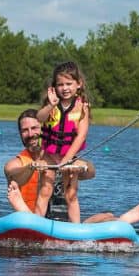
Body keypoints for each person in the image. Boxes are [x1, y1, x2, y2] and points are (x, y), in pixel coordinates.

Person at [4, 109, 139, 225]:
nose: (31, 134)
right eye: (25, 130)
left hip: (64, 222)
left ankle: (123, 220)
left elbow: (91, 172)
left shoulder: (60, 157)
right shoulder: (18, 162)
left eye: (35, 128)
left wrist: (80, 165)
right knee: (31, 217)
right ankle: (24, 211)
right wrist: (33, 166)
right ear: (20, 134)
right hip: (32, 220)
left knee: (106, 216)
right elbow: (12, 171)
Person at [35, 61, 91, 223]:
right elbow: (39, 119)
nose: (65, 88)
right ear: (54, 87)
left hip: (69, 157)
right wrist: (50, 106)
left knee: (71, 194)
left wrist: (67, 161)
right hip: (50, 156)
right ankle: (36, 225)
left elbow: (81, 136)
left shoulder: (82, 108)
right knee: (45, 190)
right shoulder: (51, 104)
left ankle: (76, 229)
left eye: (69, 83)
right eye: (60, 85)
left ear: (78, 84)